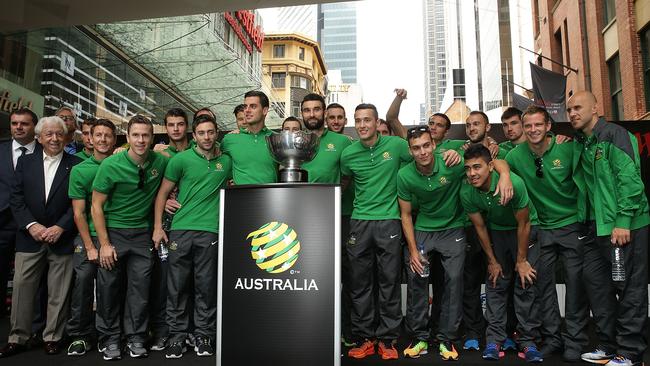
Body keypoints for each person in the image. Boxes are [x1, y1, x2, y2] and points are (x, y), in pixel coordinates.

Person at [399, 126, 513, 361]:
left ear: (434, 145)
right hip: (424, 229)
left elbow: (494, 162)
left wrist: (505, 176)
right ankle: (419, 337)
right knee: (417, 278)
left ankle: (446, 339)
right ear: (410, 151)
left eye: (426, 145)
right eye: (416, 148)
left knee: (454, 281)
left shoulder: (453, 161)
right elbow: (406, 215)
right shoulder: (405, 175)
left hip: (453, 231)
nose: (422, 152)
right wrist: (412, 250)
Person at [568, 91, 649, 366]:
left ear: (596, 108)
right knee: (597, 285)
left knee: (629, 288)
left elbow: (630, 180)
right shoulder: (581, 142)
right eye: (569, 110)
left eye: (578, 107)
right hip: (596, 229)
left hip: (623, 227)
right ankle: (608, 345)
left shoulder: (615, 135)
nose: (573, 113)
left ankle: (630, 352)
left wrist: (623, 221)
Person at [505, 105, 589, 362]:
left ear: (549, 126)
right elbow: (496, 161)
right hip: (541, 229)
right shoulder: (516, 155)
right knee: (543, 286)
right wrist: (505, 175)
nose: (533, 130)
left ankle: (575, 340)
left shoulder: (567, 147)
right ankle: (553, 338)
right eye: (528, 125)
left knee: (575, 285)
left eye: (538, 125)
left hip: (572, 225)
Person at [0, 116, 82, 358]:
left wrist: (61, 227)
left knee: (59, 291)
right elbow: (16, 198)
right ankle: (18, 337)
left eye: (59, 134)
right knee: (23, 289)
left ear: (66, 136)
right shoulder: (25, 163)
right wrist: (31, 225)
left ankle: (53, 337)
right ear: (39, 137)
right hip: (29, 237)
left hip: (61, 238)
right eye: (49, 134)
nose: (54, 138)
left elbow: (77, 203)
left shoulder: (75, 164)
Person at [152, 114, 231, 359]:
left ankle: (203, 334)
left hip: (211, 231)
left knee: (206, 287)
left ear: (216, 132)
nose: (206, 137)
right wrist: (158, 227)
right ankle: (177, 335)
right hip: (181, 229)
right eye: (201, 133)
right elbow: (162, 195)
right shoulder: (181, 160)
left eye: (210, 132)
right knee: (177, 286)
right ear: (194, 136)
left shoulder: (226, 161)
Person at [91, 115, 168, 360]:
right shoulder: (110, 165)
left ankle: (136, 337)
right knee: (109, 289)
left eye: (146, 135)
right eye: (136, 135)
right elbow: (95, 206)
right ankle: (111, 339)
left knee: (140, 290)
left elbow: (181, 160)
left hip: (142, 235)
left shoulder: (160, 161)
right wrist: (104, 244)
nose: (141, 140)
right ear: (127, 136)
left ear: (152, 138)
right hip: (114, 234)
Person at [341, 103, 412, 360]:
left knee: (389, 282)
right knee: (360, 285)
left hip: (389, 221)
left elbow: (421, 158)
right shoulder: (348, 154)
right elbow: (344, 181)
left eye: (366, 120)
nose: (361, 125)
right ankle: (364, 338)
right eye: (357, 120)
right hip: (359, 222)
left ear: (376, 122)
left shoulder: (396, 146)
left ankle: (388, 340)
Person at [460, 144, 543, 362]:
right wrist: (492, 261)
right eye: (468, 168)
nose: (472, 173)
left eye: (477, 167)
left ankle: (528, 342)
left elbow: (524, 224)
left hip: (524, 232)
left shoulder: (512, 183)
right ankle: (494, 341)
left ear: (490, 166)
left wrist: (522, 260)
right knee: (496, 283)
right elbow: (479, 227)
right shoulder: (467, 191)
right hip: (497, 231)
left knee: (525, 283)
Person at [65, 119, 117, 357]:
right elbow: (78, 212)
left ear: (114, 140)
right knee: (83, 281)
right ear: (90, 138)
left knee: (109, 287)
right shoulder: (80, 170)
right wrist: (90, 246)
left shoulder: (121, 165)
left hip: (114, 234)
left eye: (108, 135)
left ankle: (107, 336)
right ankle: (79, 335)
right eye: (99, 135)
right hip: (88, 237)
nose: (103, 140)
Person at [0, 107, 38, 320]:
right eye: (15, 123)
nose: (19, 127)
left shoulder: (45, 151)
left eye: (24, 123)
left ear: (34, 127)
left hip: (33, 222)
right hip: (2, 220)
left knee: (31, 276)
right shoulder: (1, 150)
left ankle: (32, 321)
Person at [220, 91, 277, 184]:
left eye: (253, 106)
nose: (247, 110)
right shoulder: (229, 139)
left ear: (265, 110)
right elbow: (216, 165)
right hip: (241, 197)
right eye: (245, 106)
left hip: (270, 196)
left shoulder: (276, 139)